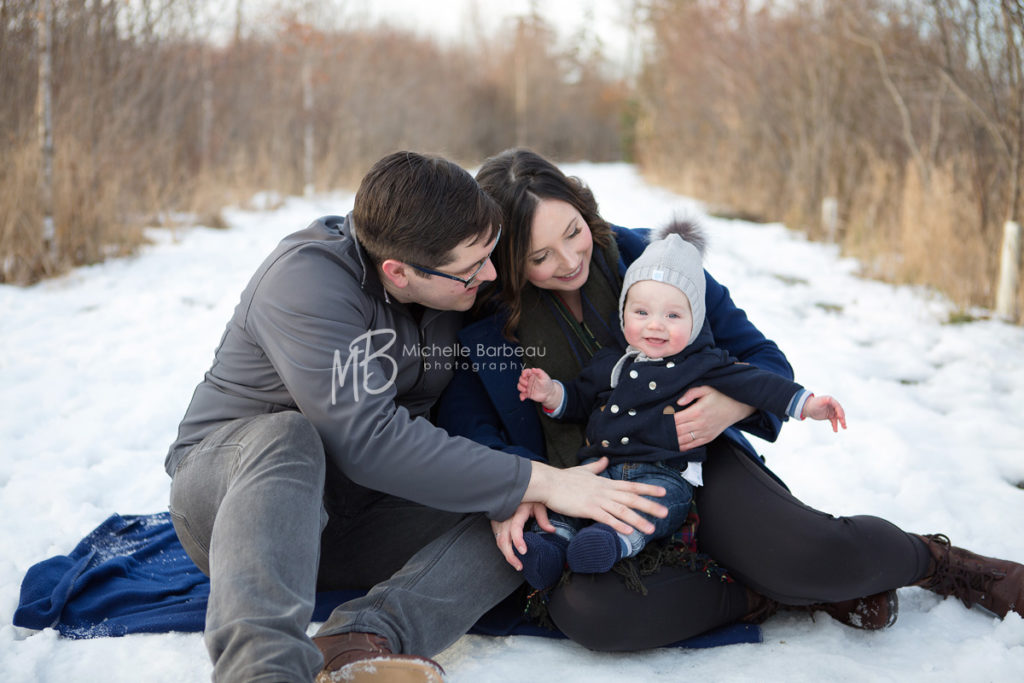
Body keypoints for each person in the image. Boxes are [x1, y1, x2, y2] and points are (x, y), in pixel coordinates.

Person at [435, 147, 1024, 652]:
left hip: (694, 462)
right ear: (509, 260)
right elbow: (469, 424)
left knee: (811, 556)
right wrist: (517, 488)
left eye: (573, 232)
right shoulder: (483, 319)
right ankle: (757, 592)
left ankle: (936, 562)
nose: (569, 260)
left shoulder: (656, 262)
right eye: (540, 257)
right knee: (592, 612)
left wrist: (731, 404)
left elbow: (764, 360)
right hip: (582, 493)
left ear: (585, 211)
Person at [164, 151, 671, 682]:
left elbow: (581, 241)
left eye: (490, 253)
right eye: (473, 268)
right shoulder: (306, 284)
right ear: (398, 272)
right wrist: (541, 479)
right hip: (234, 505)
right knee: (287, 436)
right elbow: (367, 441)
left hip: (359, 515)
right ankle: (264, 671)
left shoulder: (450, 276)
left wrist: (658, 261)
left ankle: (358, 642)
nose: (492, 274)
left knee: (519, 518)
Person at [513, 221, 846, 590]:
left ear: (695, 319)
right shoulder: (612, 363)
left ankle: (614, 542)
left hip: (663, 473)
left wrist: (807, 404)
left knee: (654, 509)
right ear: (623, 313)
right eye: (641, 313)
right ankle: (551, 545)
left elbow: (759, 384)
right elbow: (578, 399)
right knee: (569, 505)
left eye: (673, 316)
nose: (655, 326)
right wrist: (550, 393)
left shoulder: (703, 363)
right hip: (601, 468)